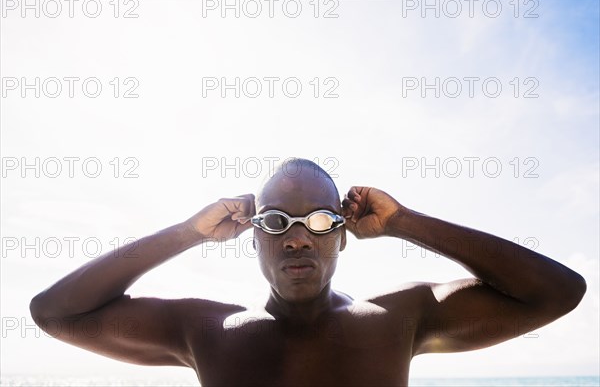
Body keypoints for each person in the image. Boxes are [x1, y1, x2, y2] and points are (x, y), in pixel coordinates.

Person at [30, 158, 586, 386]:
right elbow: (54, 313)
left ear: (344, 232)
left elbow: (557, 292)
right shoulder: (207, 331)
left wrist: (406, 222)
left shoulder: (397, 320)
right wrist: (188, 231)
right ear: (253, 237)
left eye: (319, 220)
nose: (297, 236)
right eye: (275, 221)